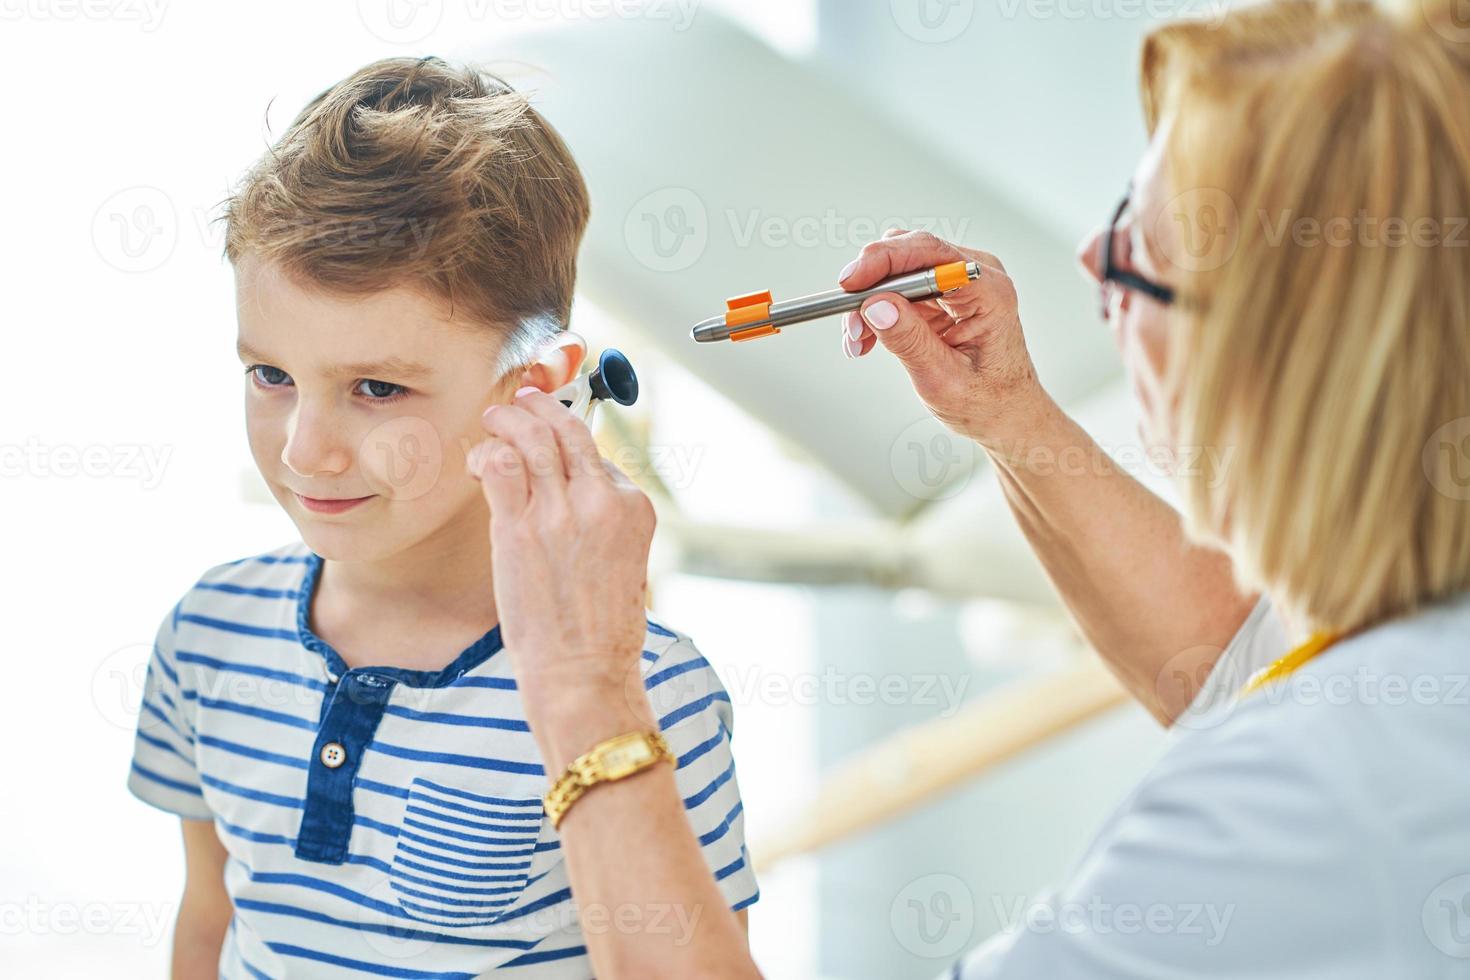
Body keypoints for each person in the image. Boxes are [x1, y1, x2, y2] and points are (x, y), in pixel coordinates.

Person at [468, 0, 1470, 975]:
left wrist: (580, 685)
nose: (1088, 258)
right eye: (1118, 209)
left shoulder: (1288, 809)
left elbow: (1289, 734)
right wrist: (1012, 416)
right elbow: (1245, 666)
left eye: (1143, 256)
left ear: (1292, 370)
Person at [125, 56, 757, 979]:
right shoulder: (208, 635)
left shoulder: (648, 699)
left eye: (377, 388)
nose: (306, 451)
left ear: (535, 384)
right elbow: (207, 923)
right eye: (271, 376)